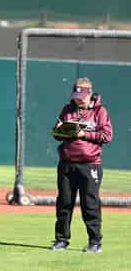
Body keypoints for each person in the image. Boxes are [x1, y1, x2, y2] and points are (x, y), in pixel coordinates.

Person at [51, 77, 113, 253]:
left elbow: (106, 136)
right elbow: (56, 133)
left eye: (82, 95)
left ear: (90, 93)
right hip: (67, 164)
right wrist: (63, 130)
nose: (78, 98)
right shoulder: (67, 109)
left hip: (90, 164)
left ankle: (95, 242)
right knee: (64, 203)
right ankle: (61, 240)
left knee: (90, 204)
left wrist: (83, 134)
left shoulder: (100, 111)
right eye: (76, 94)